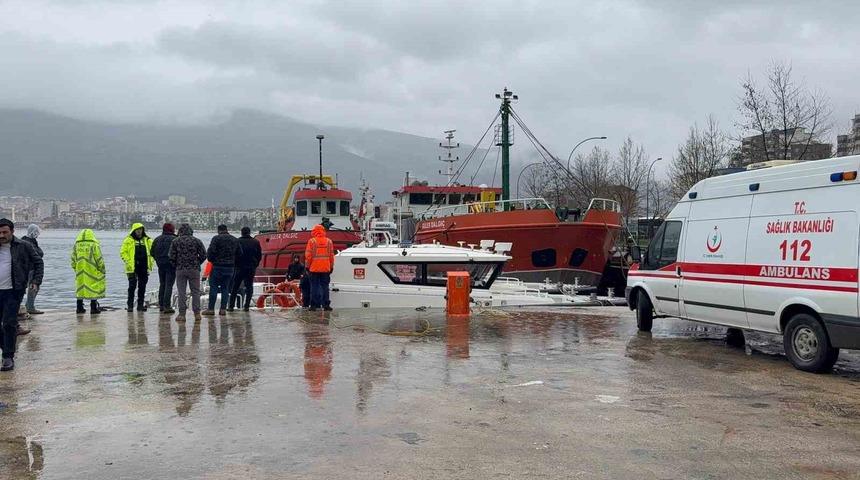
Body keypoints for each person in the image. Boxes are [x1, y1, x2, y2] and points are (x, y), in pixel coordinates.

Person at [0, 218, 43, 371]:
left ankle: (7, 357)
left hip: (13, 291)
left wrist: (36, 281)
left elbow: (38, 262)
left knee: (9, 323)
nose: (1, 235)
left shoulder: (23, 246)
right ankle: (6, 348)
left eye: (5, 232)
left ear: (12, 232)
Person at [169, 224, 207, 322]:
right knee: (196, 291)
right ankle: (197, 313)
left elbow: (171, 256)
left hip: (180, 269)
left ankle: (182, 314)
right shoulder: (197, 241)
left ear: (180, 231)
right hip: (194, 269)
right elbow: (203, 255)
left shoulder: (175, 241)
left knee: (181, 292)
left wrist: (176, 265)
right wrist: (197, 262)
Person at [202, 225, 240, 316]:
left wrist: (212, 260)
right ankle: (223, 309)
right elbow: (240, 253)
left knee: (214, 287)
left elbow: (210, 252)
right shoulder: (235, 240)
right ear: (227, 230)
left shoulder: (216, 239)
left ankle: (211, 309)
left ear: (219, 230)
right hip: (230, 268)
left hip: (217, 267)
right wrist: (233, 262)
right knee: (225, 288)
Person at [71, 229, 106, 314]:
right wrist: (102, 269)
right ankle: (93, 308)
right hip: (92, 270)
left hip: (80, 271)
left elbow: (73, 258)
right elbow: (98, 258)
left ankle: (79, 308)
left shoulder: (77, 244)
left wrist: (75, 268)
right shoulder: (94, 244)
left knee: (80, 288)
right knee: (93, 288)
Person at [120, 223, 153, 312]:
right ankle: (130, 305)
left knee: (142, 287)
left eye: (141, 230)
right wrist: (128, 261)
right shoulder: (128, 240)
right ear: (134, 230)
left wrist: (151, 261)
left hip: (144, 267)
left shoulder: (147, 240)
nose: (139, 231)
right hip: (132, 268)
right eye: (137, 230)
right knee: (132, 287)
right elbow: (123, 252)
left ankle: (140, 305)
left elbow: (152, 252)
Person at [228, 227, 261, 312]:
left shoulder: (237, 241)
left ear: (241, 232)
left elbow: (234, 254)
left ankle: (231, 306)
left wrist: (235, 264)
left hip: (239, 267)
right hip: (251, 267)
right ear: (249, 232)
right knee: (249, 287)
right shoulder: (256, 242)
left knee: (235, 287)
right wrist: (255, 265)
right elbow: (259, 255)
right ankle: (246, 306)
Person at [304, 224, 334, 311]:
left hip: (314, 268)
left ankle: (313, 305)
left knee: (314, 287)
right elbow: (331, 256)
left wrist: (307, 267)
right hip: (325, 268)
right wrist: (331, 267)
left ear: (314, 231)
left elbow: (308, 256)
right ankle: (326, 305)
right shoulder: (329, 241)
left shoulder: (312, 241)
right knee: (325, 287)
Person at [151, 223, 178, 314]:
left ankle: (161, 305)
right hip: (171, 265)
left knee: (162, 284)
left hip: (160, 264)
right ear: (172, 229)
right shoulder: (175, 239)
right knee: (169, 285)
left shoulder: (157, 239)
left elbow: (152, 252)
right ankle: (167, 305)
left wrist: (158, 259)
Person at [21, 224, 44, 315]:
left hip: (32, 268)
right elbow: (37, 254)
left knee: (33, 288)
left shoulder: (30, 241)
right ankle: (29, 307)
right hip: (30, 269)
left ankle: (29, 306)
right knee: (33, 288)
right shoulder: (28, 243)